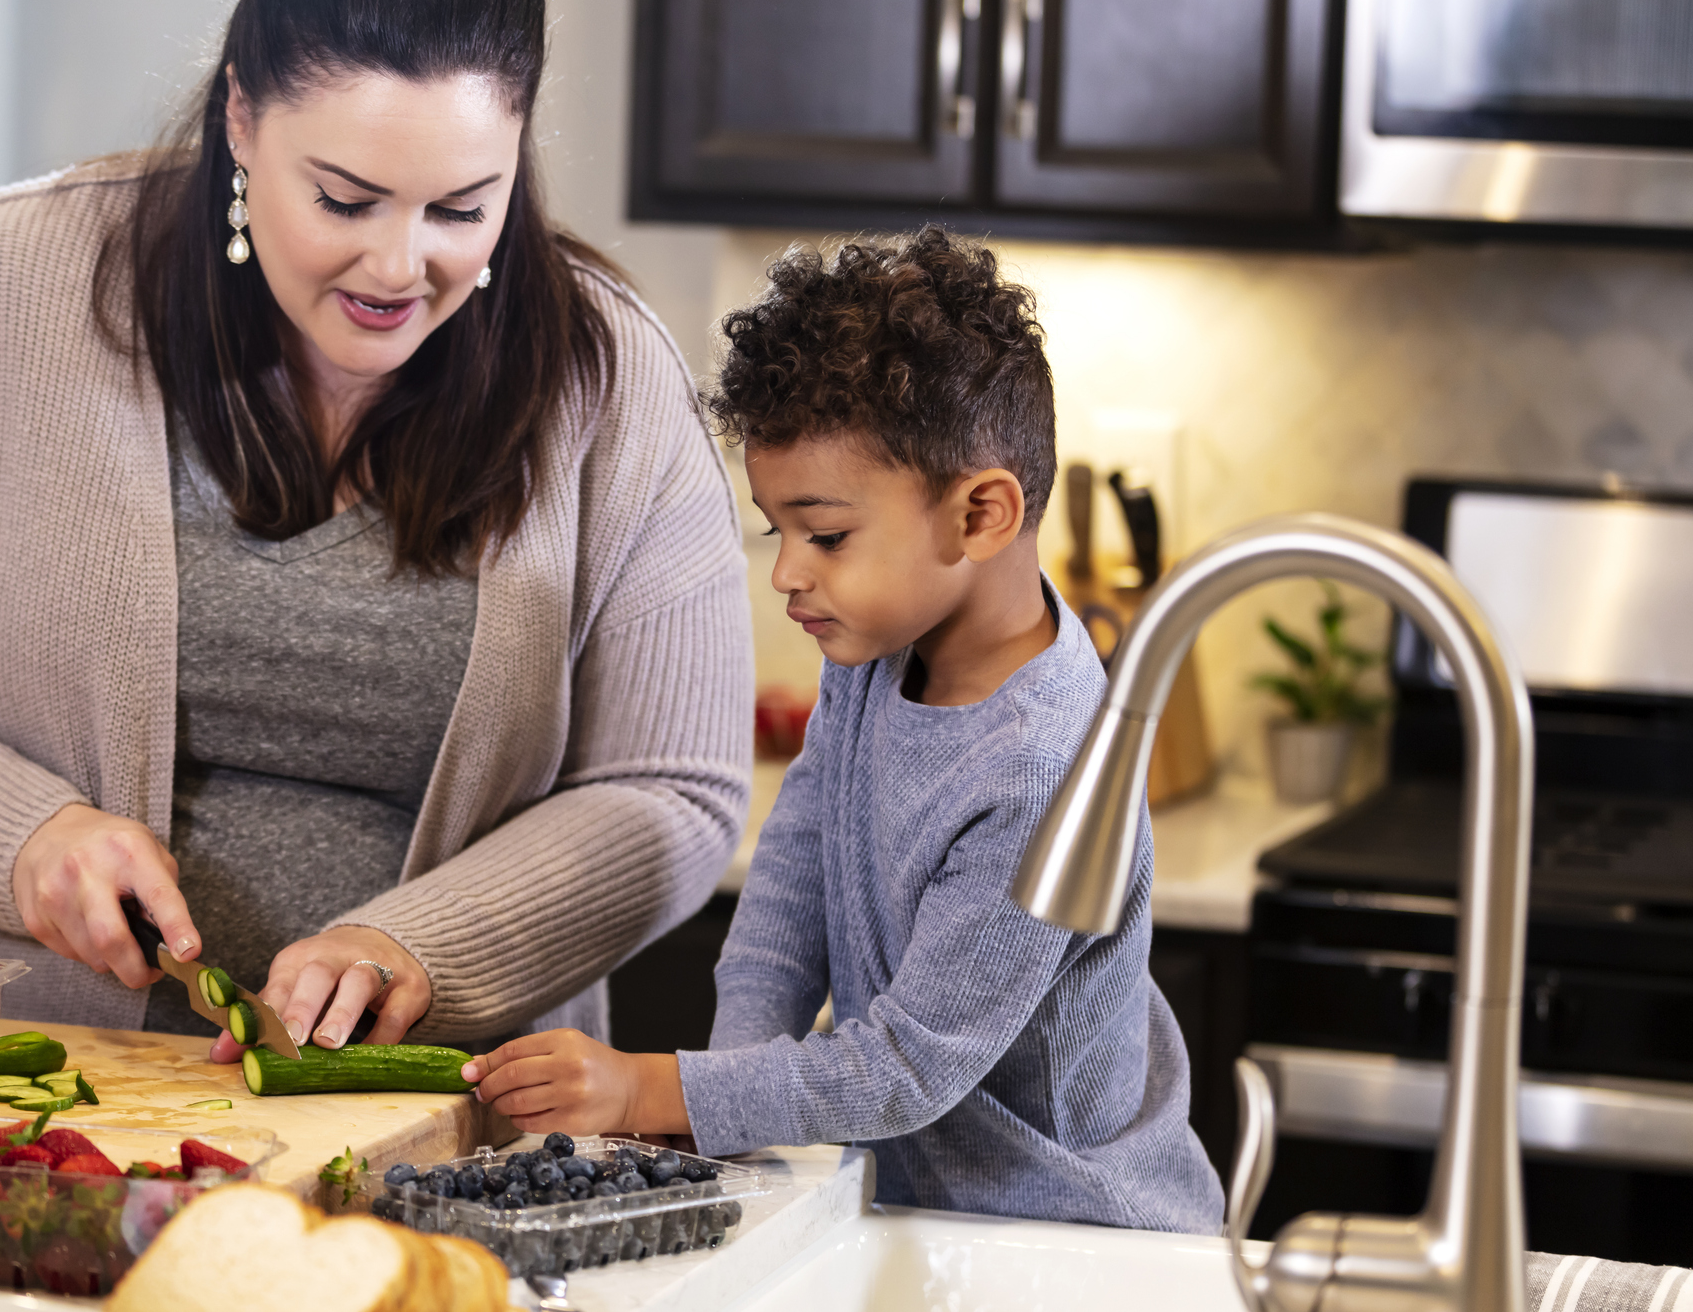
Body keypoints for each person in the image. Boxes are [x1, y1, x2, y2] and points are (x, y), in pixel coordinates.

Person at [0, 0, 750, 1056]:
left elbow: (670, 788)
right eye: (344, 200)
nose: (399, 266)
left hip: (445, 1124)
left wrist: (418, 949)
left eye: (461, 208)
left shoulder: (611, 376)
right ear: (242, 118)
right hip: (38, 1107)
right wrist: (25, 833)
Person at [462, 228, 1223, 1233]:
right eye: (778, 529)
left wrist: (656, 1090)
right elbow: (792, 882)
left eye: (823, 533)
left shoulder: (1043, 764)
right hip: (924, 1216)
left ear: (979, 514)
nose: (785, 570)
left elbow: (906, 1067)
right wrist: (727, 1093)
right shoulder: (873, 656)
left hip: (1071, 1235)